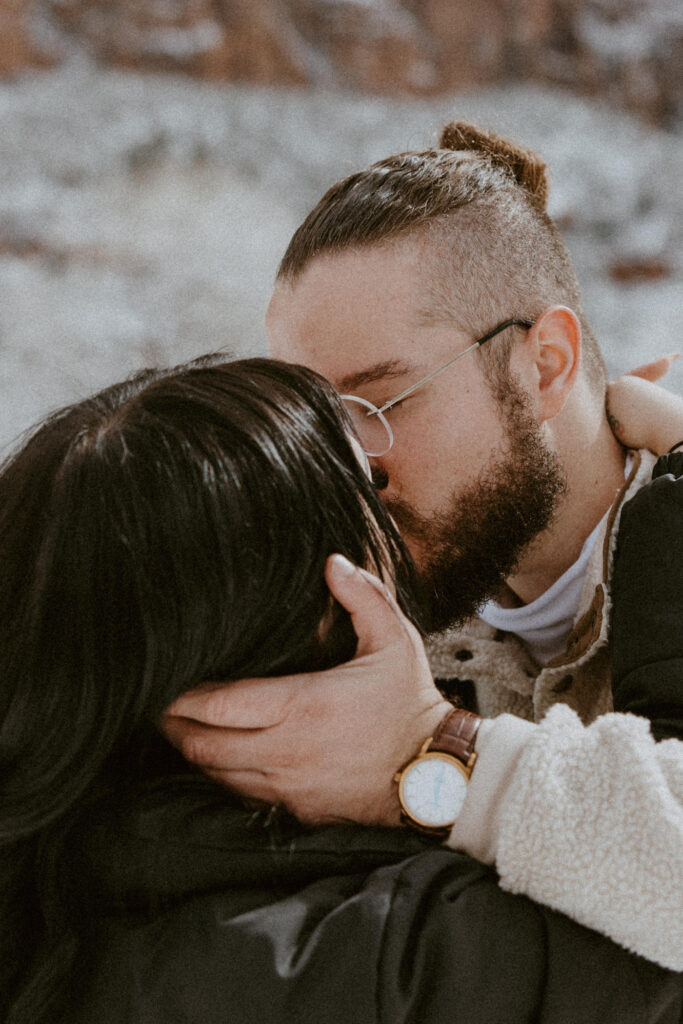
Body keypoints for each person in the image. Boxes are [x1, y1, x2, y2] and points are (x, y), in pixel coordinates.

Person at [1, 354, 681, 1024]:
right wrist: (436, 751)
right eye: (371, 492)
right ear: (337, 604)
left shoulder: (55, 899)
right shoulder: (403, 957)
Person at [162, 123, 683, 970]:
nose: (345, 468)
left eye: (380, 403)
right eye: (318, 425)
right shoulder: (358, 613)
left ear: (544, 365)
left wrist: (431, 752)